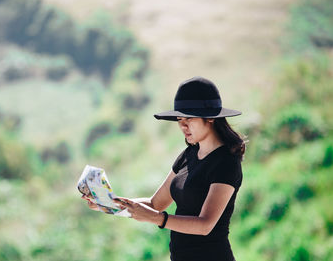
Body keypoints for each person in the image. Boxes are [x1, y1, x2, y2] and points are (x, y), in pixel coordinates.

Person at [82, 76, 246, 261]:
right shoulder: (188, 155)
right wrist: (108, 204)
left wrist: (157, 219)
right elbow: (155, 204)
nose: (183, 126)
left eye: (189, 119)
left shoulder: (225, 162)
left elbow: (205, 225)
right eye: (179, 119)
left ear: (209, 118)